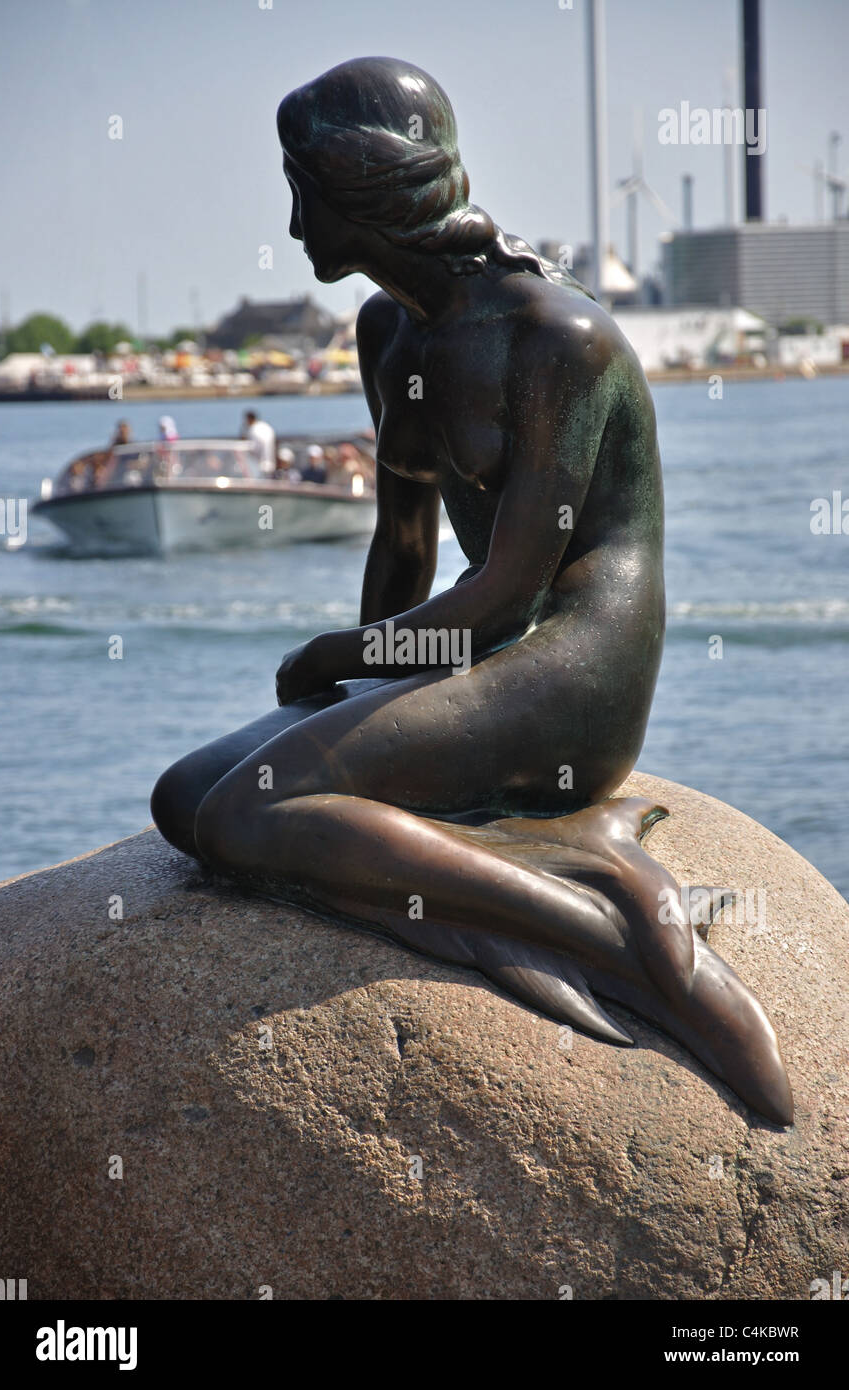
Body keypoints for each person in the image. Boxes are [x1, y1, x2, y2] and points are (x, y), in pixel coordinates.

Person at [150, 58, 792, 1125]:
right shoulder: (383, 334)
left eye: (303, 182)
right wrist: (347, 698)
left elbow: (502, 595)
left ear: (365, 188)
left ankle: (621, 941)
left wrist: (338, 663)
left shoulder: (555, 339)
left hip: (570, 671)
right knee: (189, 801)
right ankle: (514, 852)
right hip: (472, 652)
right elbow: (401, 545)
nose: (294, 215)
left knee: (258, 813)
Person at [242, 410, 276, 475]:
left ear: (249, 419)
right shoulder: (266, 427)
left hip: (258, 467)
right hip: (270, 465)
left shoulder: (253, 430)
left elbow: (253, 449)